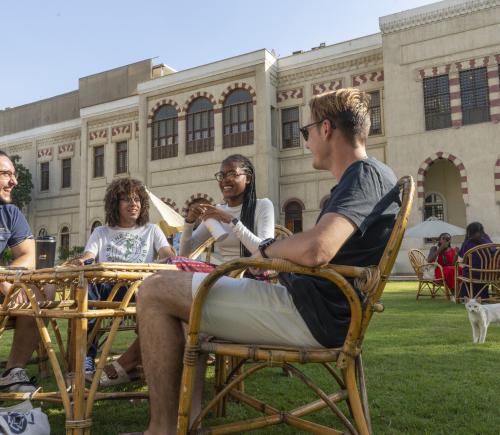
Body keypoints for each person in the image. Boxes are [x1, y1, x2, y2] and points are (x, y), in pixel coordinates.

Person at [135, 87, 400, 434]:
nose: (305, 142)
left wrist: (269, 249)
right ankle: (186, 422)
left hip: (308, 313)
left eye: (306, 132)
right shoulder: (371, 176)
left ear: (326, 128)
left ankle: (163, 430)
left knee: (154, 290)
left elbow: (317, 249)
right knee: (177, 303)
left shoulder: (364, 176)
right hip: (313, 306)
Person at [77, 177, 174, 384]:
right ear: (115, 204)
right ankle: (87, 357)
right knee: (89, 289)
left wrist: (168, 255)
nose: (133, 204)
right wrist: (82, 261)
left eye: (137, 199)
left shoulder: (152, 230)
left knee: (150, 290)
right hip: (108, 289)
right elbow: (89, 256)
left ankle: (143, 360)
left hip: (139, 288)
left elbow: (167, 253)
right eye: (127, 200)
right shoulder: (101, 232)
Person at [0, 150, 52, 393]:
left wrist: (11, 277)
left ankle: (13, 372)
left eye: (14, 174)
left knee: (40, 292)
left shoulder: (9, 213)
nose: (14, 181)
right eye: (5, 174)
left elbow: (28, 255)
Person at [173, 153, 274, 267]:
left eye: (232, 174)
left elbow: (267, 251)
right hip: (224, 273)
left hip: (253, 273)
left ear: (248, 178)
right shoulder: (217, 211)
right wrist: (189, 223)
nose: (225, 180)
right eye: (221, 175)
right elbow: (185, 254)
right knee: (174, 262)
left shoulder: (263, 205)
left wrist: (231, 220)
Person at [458, 222, 494, 300]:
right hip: (489, 273)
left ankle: (466, 297)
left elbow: (462, 257)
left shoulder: (467, 243)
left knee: (466, 268)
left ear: (469, 232)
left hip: (473, 273)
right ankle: (483, 296)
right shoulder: (488, 241)